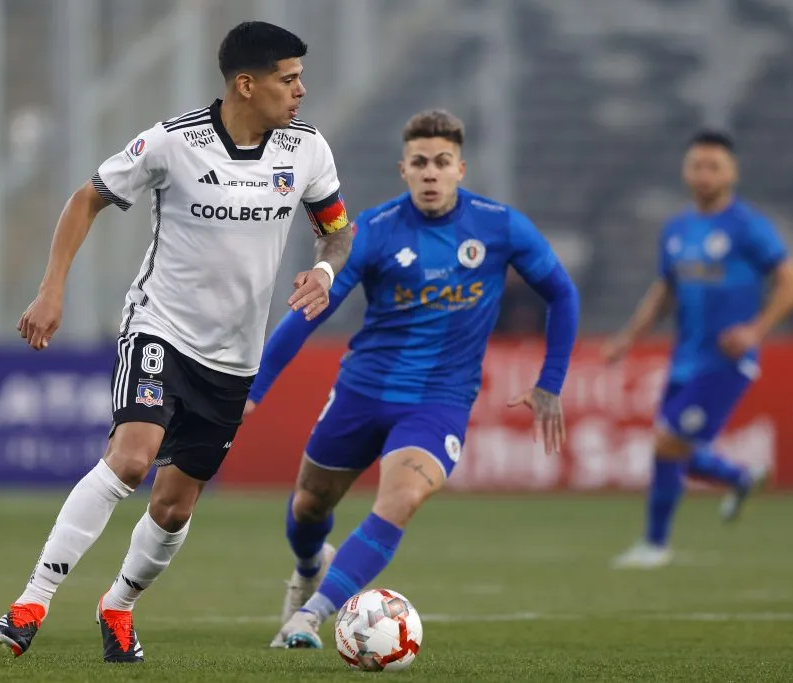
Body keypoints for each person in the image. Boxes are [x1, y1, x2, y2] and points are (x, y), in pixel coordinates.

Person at [0, 21, 353, 663]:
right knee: (131, 460)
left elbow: (335, 229)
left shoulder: (307, 149)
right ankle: (31, 601)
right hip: (159, 326)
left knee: (174, 506)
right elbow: (86, 199)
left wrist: (324, 271)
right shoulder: (172, 142)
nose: (301, 90)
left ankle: (118, 607)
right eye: (288, 78)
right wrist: (51, 291)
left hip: (236, 355)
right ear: (247, 83)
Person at [245, 109, 580, 649]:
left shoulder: (500, 226)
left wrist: (552, 379)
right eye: (420, 162)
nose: (431, 172)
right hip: (362, 391)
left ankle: (309, 617)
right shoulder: (373, 231)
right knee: (309, 507)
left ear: (460, 169)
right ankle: (310, 565)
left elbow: (562, 293)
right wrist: (253, 391)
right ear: (403, 169)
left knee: (399, 499)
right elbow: (312, 310)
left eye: (441, 162)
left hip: (438, 403)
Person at [603, 130, 793, 569]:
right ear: (685, 170)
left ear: (731, 172)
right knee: (676, 451)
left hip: (726, 361)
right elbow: (664, 291)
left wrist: (756, 330)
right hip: (685, 358)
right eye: (697, 165)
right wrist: (628, 337)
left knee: (667, 443)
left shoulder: (748, 227)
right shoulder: (676, 228)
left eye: (714, 166)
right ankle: (738, 478)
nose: (704, 173)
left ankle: (656, 546)